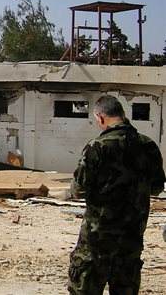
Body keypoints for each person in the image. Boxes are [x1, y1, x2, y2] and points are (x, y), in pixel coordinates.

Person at [68, 95, 165, 294]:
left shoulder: (98, 147)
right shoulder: (148, 146)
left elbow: (78, 191)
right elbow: (157, 188)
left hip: (97, 242)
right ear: (122, 115)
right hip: (131, 240)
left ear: (101, 118)